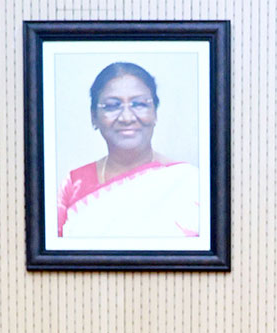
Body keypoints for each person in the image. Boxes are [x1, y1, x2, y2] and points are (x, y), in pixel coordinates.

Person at [56, 62, 200, 239]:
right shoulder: (74, 184)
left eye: (139, 104)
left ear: (155, 113)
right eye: (112, 105)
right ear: (94, 117)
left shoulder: (190, 183)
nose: (127, 117)